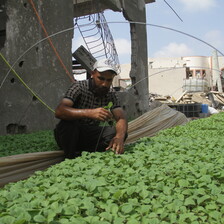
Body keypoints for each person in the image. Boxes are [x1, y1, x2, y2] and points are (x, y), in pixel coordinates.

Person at [54, 58, 128, 159]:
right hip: (70, 133)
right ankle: (69, 157)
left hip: (89, 134)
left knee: (118, 132)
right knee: (68, 125)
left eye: (109, 80)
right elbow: (60, 111)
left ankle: (87, 153)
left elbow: (121, 118)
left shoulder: (111, 94)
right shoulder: (79, 87)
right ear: (93, 74)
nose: (105, 84)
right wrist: (89, 113)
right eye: (101, 78)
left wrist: (119, 137)